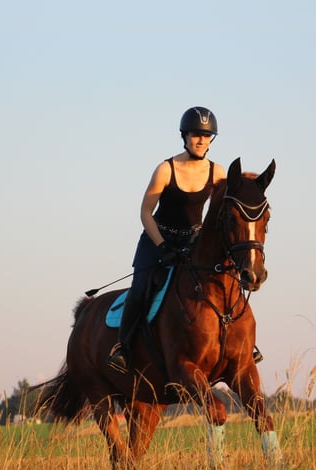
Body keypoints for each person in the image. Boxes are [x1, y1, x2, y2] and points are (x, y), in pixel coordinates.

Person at [107, 106, 262, 374]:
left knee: (226, 279)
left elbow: (222, 213)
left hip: (192, 239)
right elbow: (145, 213)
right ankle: (122, 347)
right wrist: (162, 247)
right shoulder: (166, 170)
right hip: (159, 239)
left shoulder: (217, 172)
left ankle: (243, 342)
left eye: (206, 136)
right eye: (195, 135)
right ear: (184, 136)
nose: (201, 141)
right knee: (141, 287)